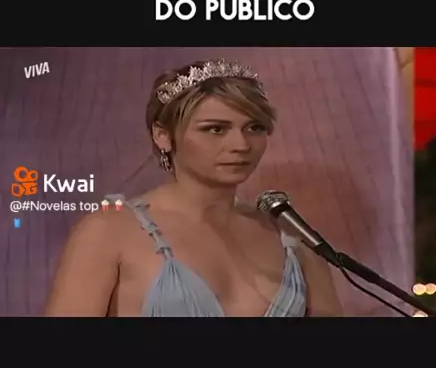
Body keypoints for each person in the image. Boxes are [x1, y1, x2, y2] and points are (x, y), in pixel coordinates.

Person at [44, 59, 343, 317]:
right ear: (163, 135)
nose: (241, 144)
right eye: (216, 129)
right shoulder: (109, 231)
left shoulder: (294, 239)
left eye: (254, 128)